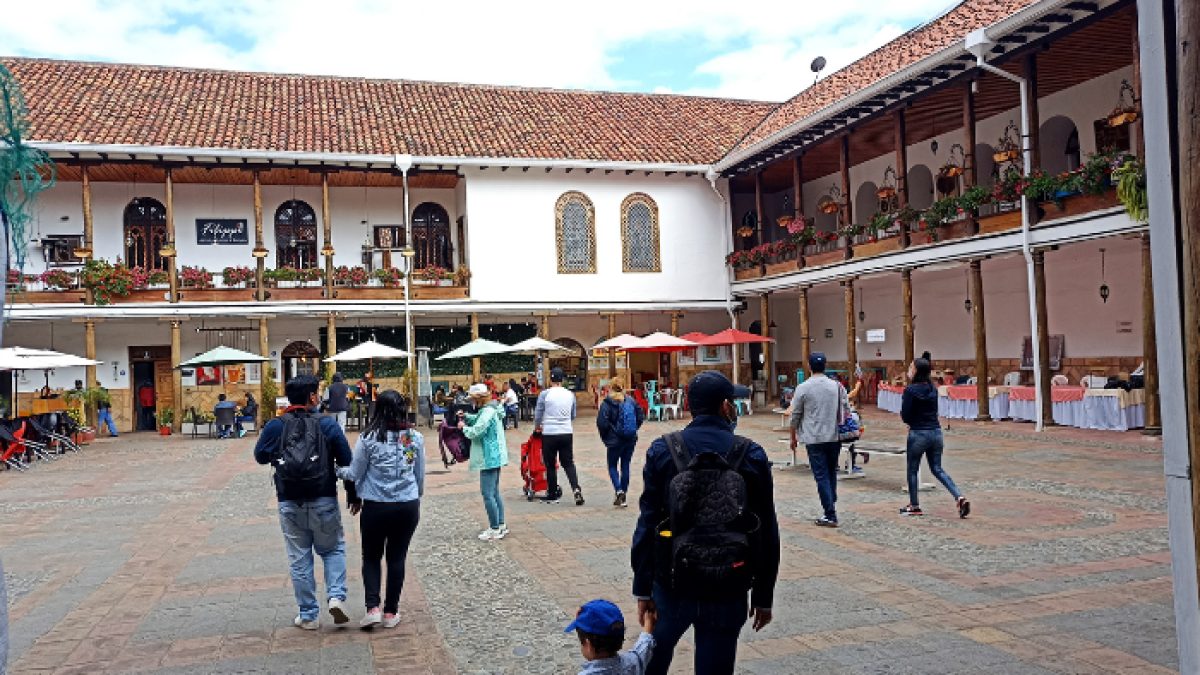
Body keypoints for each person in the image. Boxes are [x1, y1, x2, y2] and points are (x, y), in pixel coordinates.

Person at [631, 370, 780, 675]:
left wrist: (643, 589)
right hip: (729, 585)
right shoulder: (750, 454)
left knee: (653, 662)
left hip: (672, 583)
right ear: (726, 406)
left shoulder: (663, 451)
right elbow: (766, 529)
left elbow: (647, 522)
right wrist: (763, 595)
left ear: (688, 404)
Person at [253, 374, 356, 630]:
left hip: (290, 501)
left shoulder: (275, 426)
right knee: (332, 549)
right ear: (312, 397)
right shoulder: (327, 424)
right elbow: (346, 460)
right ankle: (335, 597)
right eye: (318, 392)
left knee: (299, 558)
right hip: (324, 498)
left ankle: (309, 615)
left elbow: (260, 457)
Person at [336, 390, 424, 629]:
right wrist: (414, 496)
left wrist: (336, 469)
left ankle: (372, 608)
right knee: (397, 557)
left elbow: (354, 474)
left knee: (372, 557)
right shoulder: (413, 438)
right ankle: (391, 612)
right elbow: (419, 476)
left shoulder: (369, 438)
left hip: (376, 506)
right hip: (407, 505)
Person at [900, 358, 971, 518]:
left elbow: (905, 414)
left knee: (912, 470)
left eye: (912, 367)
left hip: (918, 433)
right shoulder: (933, 389)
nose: (909, 369)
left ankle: (914, 505)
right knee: (937, 469)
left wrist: (911, 422)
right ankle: (959, 497)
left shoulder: (910, 390)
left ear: (917, 371)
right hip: (936, 432)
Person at [789, 352, 850, 528]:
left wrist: (793, 436)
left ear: (809, 366)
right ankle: (831, 498)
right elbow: (846, 407)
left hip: (813, 437)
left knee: (821, 475)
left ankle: (830, 513)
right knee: (831, 470)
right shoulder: (837, 386)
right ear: (825, 365)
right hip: (834, 435)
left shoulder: (803, 387)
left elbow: (795, 415)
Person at [460, 383, 509, 540]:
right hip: (496, 455)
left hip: (489, 456)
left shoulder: (487, 411)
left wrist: (463, 428)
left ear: (478, 399)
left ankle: (494, 529)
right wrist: (467, 417)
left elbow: (477, 431)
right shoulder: (492, 408)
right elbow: (480, 419)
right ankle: (500, 525)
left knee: (487, 494)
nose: (472, 402)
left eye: (473, 399)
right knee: (494, 492)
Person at [566, 599, 656, 675]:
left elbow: (645, 644)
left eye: (582, 643)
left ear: (589, 646)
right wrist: (648, 622)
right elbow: (645, 645)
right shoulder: (634, 662)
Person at [534, 367, 583, 505]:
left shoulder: (545, 394)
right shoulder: (570, 395)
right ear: (563, 380)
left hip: (550, 432)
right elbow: (573, 415)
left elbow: (538, 414)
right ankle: (576, 489)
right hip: (567, 432)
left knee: (550, 464)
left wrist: (538, 426)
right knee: (568, 462)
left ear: (551, 379)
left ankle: (553, 494)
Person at [596, 376, 644, 507]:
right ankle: (624, 497)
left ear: (611, 386)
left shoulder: (607, 403)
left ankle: (618, 490)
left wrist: (607, 436)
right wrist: (633, 430)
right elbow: (640, 417)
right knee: (625, 465)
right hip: (630, 439)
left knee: (612, 465)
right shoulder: (631, 402)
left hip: (614, 440)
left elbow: (602, 423)